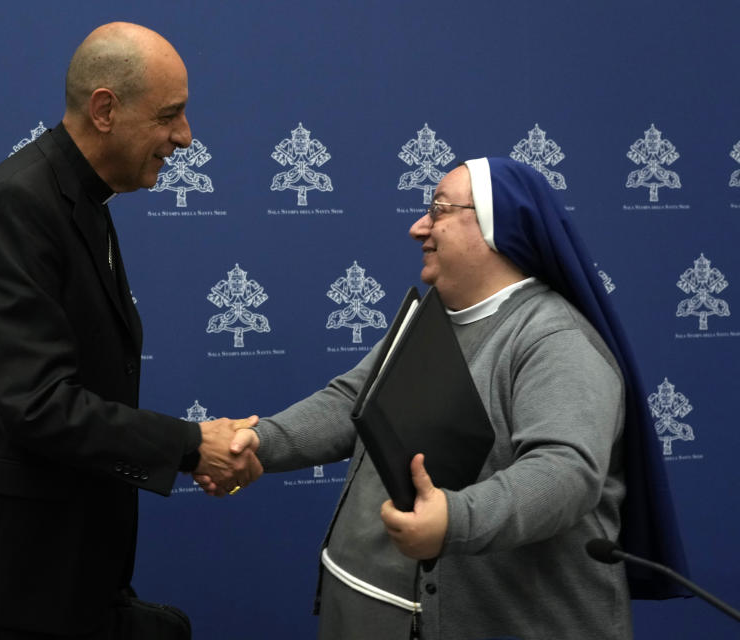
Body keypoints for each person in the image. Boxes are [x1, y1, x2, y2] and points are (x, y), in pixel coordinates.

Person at [203, 158, 686, 639]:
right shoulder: (437, 315)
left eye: (438, 210)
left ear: (499, 227)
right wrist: (257, 440)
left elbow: (563, 471)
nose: (418, 228)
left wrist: (456, 520)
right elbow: (352, 401)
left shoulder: (554, 340)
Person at [0, 22, 260, 639]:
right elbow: (36, 404)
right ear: (105, 109)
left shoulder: (81, 199)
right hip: (8, 587)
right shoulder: (21, 204)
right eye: (170, 115)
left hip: (58, 573)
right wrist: (191, 444)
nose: (186, 137)